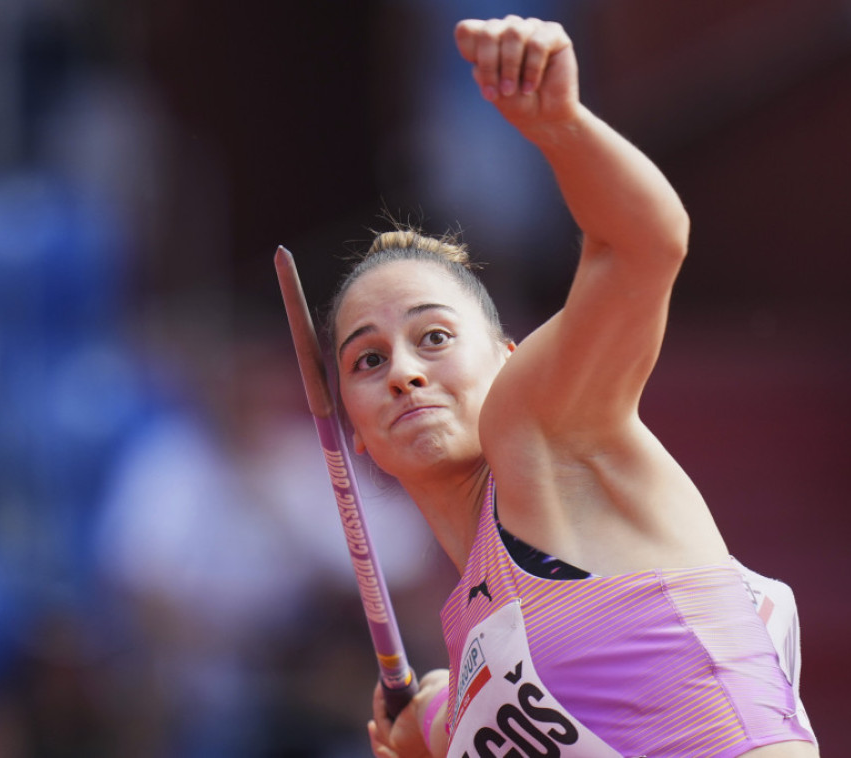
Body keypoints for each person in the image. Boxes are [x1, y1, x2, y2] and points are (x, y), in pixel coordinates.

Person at [324, 15, 820, 758]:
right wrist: (428, 728)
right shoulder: (474, 648)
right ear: (353, 431)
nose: (403, 372)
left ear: (509, 359)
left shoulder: (538, 429)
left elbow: (643, 245)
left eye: (434, 337)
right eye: (367, 360)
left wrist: (559, 125)